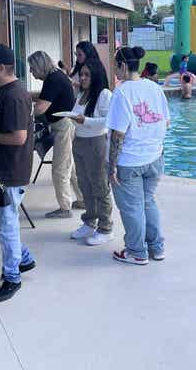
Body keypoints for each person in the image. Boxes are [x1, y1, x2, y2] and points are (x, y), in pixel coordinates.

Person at [0, 44, 36, 301]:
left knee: (6, 223)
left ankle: (13, 277)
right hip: (3, 170)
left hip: (10, 171)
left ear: (1, 67)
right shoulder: (7, 92)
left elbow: (18, 137)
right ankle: (24, 258)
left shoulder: (13, 96)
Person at [107, 46, 170, 265]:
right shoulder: (154, 87)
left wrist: (111, 167)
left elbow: (118, 135)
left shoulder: (122, 93)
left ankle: (136, 252)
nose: (115, 70)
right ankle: (156, 248)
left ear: (123, 66)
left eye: (116, 65)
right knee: (147, 202)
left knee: (132, 208)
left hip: (129, 162)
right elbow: (166, 122)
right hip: (154, 157)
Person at [28, 51, 83, 218]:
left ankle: (65, 208)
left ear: (40, 66)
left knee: (60, 169)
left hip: (63, 126)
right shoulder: (55, 76)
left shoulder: (53, 80)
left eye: (32, 68)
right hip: (66, 124)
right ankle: (83, 199)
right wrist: (26, 95)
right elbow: (45, 96)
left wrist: (21, 111)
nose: (30, 72)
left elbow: (40, 108)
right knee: (70, 167)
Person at [69, 60, 114, 246]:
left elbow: (107, 120)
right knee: (84, 184)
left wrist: (85, 120)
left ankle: (106, 228)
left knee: (100, 186)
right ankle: (89, 222)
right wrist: (73, 118)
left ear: (96, 75)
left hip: (96, 142)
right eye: (81, 74)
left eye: (87, 74)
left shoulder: (104, 94)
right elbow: (75, 115)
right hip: (79, 141)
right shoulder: (81, 93)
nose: (82, 78)